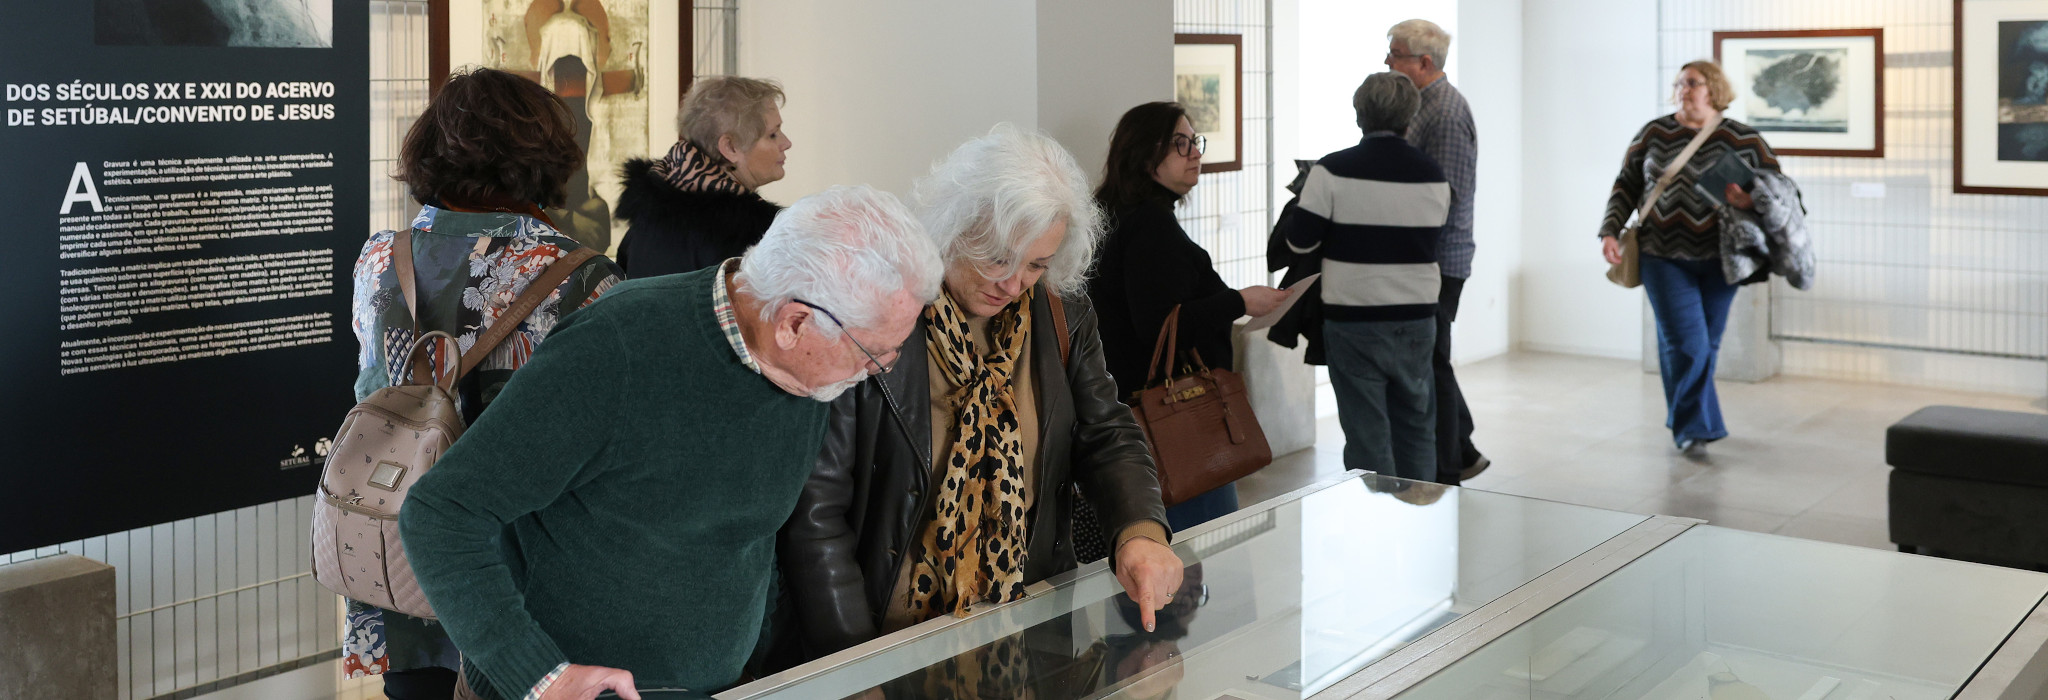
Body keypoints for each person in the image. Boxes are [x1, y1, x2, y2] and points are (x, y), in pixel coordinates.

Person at [399, 185, 943, 700]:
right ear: (793, 323)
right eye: (873, 353)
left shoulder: (808, 376)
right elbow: (442, 511)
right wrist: (538, 677)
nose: (880, 370)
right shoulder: (618, 347)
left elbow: (747, 540)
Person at [780, 125, 1182, 661]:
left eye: (1036, 264)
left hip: (1025, 631)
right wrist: (852, 662)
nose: (1013, 284)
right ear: (954, 226)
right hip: (890, 641)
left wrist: (1140, 531)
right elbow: (816, 512)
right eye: (997, 258)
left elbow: (1106, 433)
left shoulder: (1062, 315)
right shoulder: (878, 314)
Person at [342, 67, 623, 700]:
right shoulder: (584, 277)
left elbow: (370, 385)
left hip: (396, 548)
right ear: (547, 156)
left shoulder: (380, 257)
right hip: (518, 583)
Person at [1088, 102, 1289, 531]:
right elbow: (1160, 325)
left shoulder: (1118, 214)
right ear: (1146, 156)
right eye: (1180, 143)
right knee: (1193, 542)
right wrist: (1239, 301)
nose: (1195, 152)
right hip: (1173, 421)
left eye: (1194, 141)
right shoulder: (1149, 225)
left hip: (1124, 409)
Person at [1599, 60, 1782, 460]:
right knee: (1687, 344)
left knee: (1703, 345)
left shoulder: (1743, 138)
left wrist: (1749, 199)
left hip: (1722, 258)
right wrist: (1610, 230)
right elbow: (1626, 183)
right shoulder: (1654, 133)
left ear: (1713, 88)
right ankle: (1694, 429)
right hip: (1662, 255)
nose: (1684, 89)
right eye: (1680, 83)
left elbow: (1779, 191)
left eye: (1693, 83)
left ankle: (1686, 420)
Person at [1283, 72, 1450, 482]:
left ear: (1359, 115)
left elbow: (1299, 244)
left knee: (1366, 436)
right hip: (1417, 318)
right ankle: (1421, 510)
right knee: (1416, 428)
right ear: (1410, 117)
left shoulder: (1332, 170)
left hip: (1354, 321)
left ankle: (1375, 517)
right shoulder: (1433, 174)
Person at [1385, 18, 1487, 485]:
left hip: (1439, 260)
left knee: (1430, 363)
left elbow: (1446, 195)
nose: (1387, 62)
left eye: (1395, 54)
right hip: (1430, 257)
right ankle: (1460, 449)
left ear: (1423, 62)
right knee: (1431, 359)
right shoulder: (1425, 106)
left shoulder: (1443, 113)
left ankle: (1449, 469)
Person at [614, 76, 792, 277]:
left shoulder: (643, 225)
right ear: (730, 147)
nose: (786, 143)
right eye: (773, 134)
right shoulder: (745, 244)